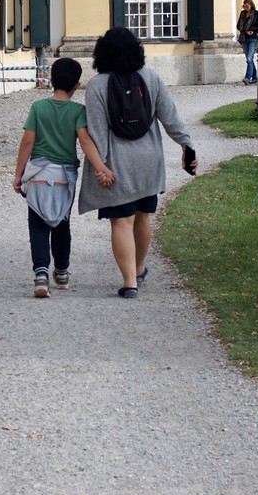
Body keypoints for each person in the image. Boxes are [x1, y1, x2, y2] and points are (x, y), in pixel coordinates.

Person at [79, 27, 197, 299]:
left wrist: (102, 166)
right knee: (142, 218)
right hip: (148, 161)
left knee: (121, 221)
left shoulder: (98, 85)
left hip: (118, 163)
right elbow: (170, 117)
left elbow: (97, 130)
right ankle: (140, 266)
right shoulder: (151, 77)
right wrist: (187, 145)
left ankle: (129, 281)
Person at [12, 58, 114, 298]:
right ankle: (62, 271)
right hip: (64, 177)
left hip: (38, 175)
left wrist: (18, 174)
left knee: (37, 224)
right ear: (77, 86)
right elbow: (86, 141)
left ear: (50, 80)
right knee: (61, 223)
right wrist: (101, 167)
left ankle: (40, 274)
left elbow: (27, 141)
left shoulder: (38, 108)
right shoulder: (78, 111)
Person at [236, 0, 258, 85]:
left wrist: (252, 30)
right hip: (244, 38)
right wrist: (245, 31)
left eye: (247, 6)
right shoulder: (243, 13)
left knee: (249, 58)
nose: (246, 8)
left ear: (251, 5)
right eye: (244, 6)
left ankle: (247, 78)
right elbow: (238, 25)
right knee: (249, 59)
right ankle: (255, 77)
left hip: (253, 38)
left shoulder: (256, 14)